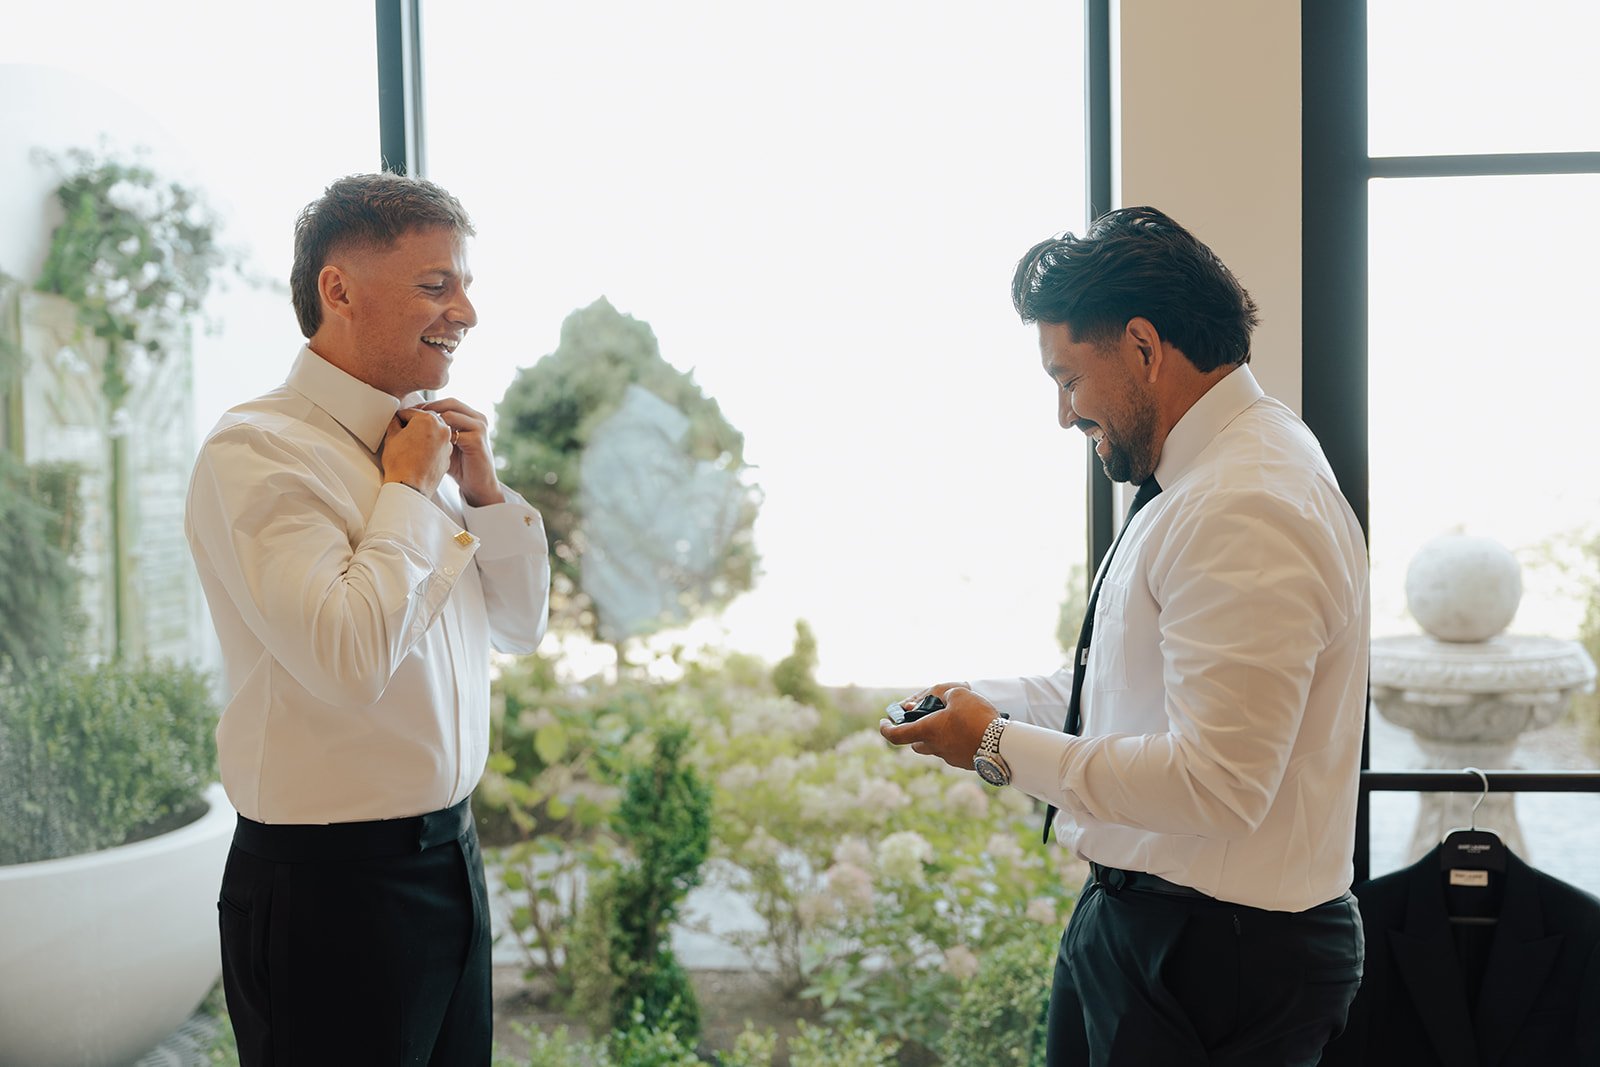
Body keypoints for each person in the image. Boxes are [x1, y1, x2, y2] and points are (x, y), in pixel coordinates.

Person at [881, 206, 1368, 1066]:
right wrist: (985, 706)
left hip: (1213, 962)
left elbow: (1218, 783)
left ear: (1144, 346)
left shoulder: (1242, 502)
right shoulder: (1208, 476)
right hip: (1166, 936)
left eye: (1068, 378)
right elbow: (1127, 688)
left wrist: (994, 743)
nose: (1064, 415)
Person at [184, 172, 551, 1065]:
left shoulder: (423, 446)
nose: (465, 312)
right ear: (337, 289)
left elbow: (518, 623)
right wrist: (409, 491)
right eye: (436, 284)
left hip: (450, 862)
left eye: (463, 284)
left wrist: (481, 491)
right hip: (329, 895)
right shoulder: (258, 451)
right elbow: (348, 658)